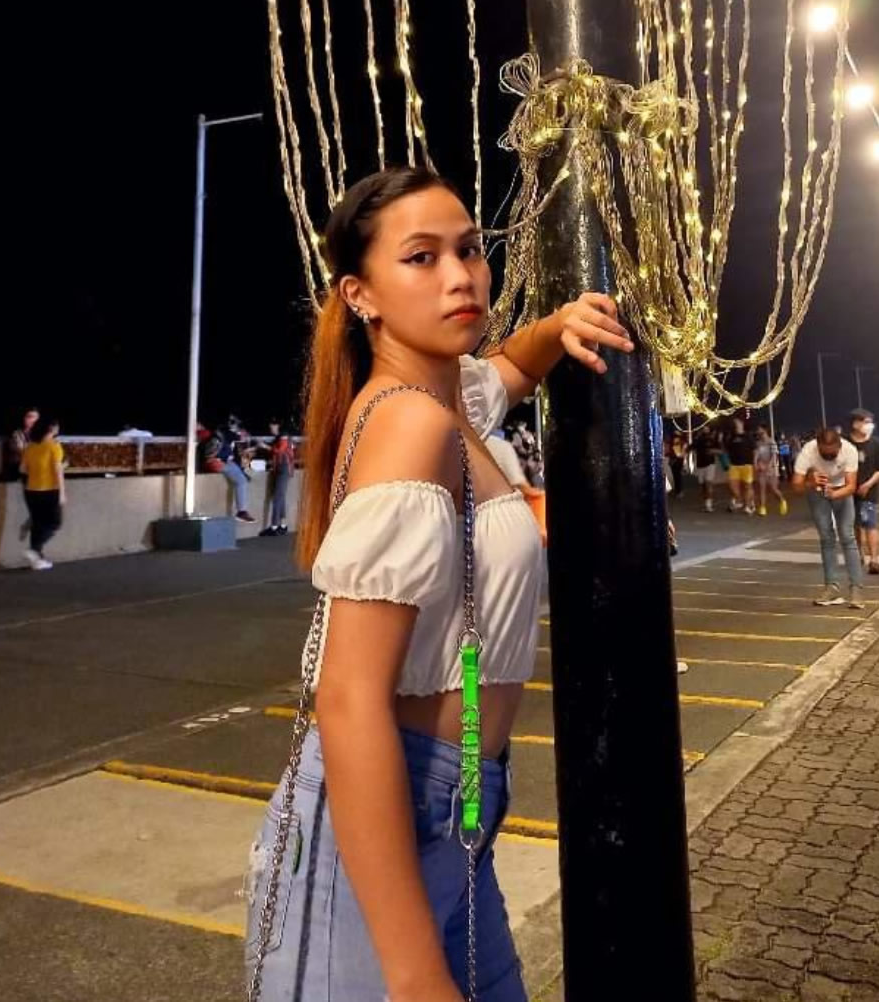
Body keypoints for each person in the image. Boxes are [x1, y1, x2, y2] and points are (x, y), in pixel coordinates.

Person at [243, 167, 635, 1002]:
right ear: (360, 295)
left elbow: (511, 366)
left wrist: (558, 324)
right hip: (395, 813)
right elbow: (348, 697)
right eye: (421, 258)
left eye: (469, 250)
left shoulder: (451, 399)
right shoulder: (411, 423)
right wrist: (416, 974)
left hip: (460, 807)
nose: (460, 276)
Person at [792, 427, 865, 607]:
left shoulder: (849, 450)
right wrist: (810, 482)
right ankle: (831, 586)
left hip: (842, 489)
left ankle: (856, 589)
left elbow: (852, 486)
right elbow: (796, 486)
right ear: (818, 447)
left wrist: (834, 494)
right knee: (826, 538)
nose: (829, 457)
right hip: (817, 491)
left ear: (839, 446)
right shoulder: (808, 451)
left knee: (847, 536)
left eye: (833, 454)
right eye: (825, 454)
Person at [19, 416, 65, 570]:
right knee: (55, 523)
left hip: (31, 491)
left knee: (38, 524)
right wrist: (62, 493)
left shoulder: (30, 447)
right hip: (49, 490)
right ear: (51, 429)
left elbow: (22, 469)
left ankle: (37, 559)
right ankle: (34, 549)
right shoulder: (54, 446)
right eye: (57, 426)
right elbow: (58, 471)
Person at [849, 409, 879, 574]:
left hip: (869, 492)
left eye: (870, 422)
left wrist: (867, 485)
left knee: (870, 524)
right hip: (848, 491)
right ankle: (858, 554)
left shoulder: (877, 444)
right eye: (866, 422)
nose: (869, 425)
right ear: (855, 424)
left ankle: (874, 559)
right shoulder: (845, 443)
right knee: (854, 525)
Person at [259, 419, 295, 537]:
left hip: (284, 469)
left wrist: (265, 446)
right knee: (281, 497)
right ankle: (283, 526)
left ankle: (274, 526)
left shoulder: (283, 436)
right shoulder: (279, 437)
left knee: (277, 498)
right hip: (281, 469)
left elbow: (280, 450)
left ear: (278, 426)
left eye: (272, 426)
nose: (271, 429)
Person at [753, 425, 787, 516]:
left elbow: (774, 455)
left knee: (773, 489)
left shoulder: (771, 442)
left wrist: (769, 466)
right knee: (762, 488)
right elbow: (756, 455)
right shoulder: (758, 443)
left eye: (759, 429)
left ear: (765, 430)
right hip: (761, 468)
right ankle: (763, 508)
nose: (758, 431)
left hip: (771, 468)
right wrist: (756, 464)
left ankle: (782, 500)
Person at [724, 417, 755, 513]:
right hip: (734, 465)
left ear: (742, 424)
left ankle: (748, 505)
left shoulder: (748, 436)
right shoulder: (731, 437)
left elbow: (754, 450)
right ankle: (740, 500)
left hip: (747, 465)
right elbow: (726, 450)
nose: (735, 424)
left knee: (748, 486)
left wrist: (755, 463)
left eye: (737, 422)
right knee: (732, 486)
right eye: (734, 423)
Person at [4, 407, 39, 482]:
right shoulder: (16, 434)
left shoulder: (42, 435)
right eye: (30, 417)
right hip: (19, 468)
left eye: (36, 418)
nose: (33, 420)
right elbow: (21, 450)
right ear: (24, 418)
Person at [692, 424, 718, 511]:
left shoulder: (713, 439)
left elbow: (721, 450)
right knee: (703, 485)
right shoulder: (698, 439)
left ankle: (709, 505)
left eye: (706, 428)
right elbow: (691, 447)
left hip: (710, 464)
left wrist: (713, 451)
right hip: (700, 464)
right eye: (703, 428)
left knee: (708, 483)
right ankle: (706, 502)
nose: (705, 429)